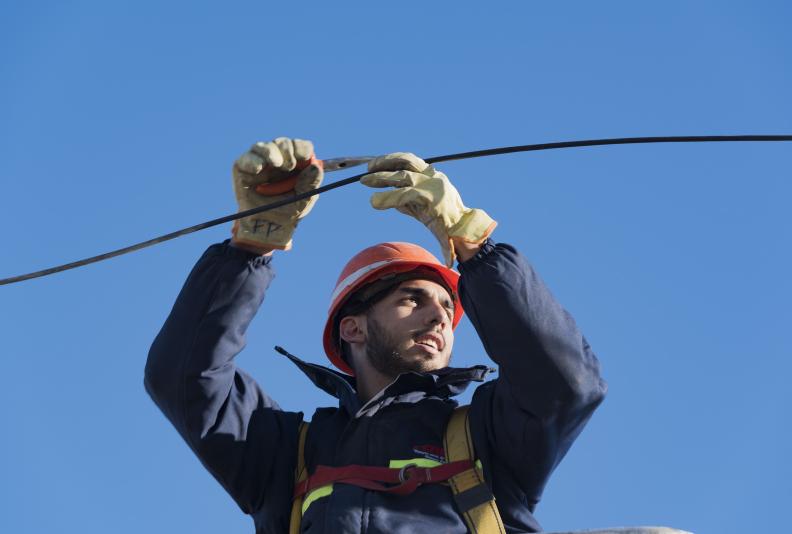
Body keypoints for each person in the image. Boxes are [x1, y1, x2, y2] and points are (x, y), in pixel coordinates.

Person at [145, 137, 608, 533]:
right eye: (412, 300)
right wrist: (248, 249)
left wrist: (474, 246)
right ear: (353, 327)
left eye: (448, 307)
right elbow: (183, 376)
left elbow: (567, 382)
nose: (439, 319)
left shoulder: (489, 436)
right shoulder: (285, 454)